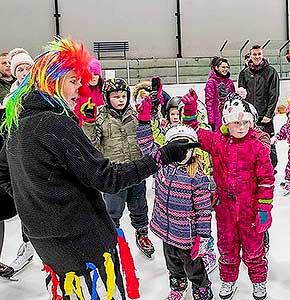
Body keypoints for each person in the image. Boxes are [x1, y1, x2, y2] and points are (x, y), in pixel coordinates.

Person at [0, 37, 196, 299]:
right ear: (52, 81)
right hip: (81, 241)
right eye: (72, 81)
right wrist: (163, 155)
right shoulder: (54, 124)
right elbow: (108, 178)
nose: (79, 89)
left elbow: (3, 173)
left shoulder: (17, 124)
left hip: (46, 243)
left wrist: (34, 206)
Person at [181, 89, 275, 300]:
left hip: (250, 208)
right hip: (225, 208)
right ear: (226, 123)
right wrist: (189, 112)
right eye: (235, 123)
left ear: (251, 123)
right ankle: (228, 280)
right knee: (227, 247)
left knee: (254, 250)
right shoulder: (218, 142)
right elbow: (194, 132)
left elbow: (267, 180)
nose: (241, 127)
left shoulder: (258, 148)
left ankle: (259, 281)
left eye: (245, 123)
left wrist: (264, 208)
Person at [137, 111, 214, 300]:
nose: (183, 153)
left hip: (187, 236)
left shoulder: (197, 177)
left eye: (187, 149)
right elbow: (147, 148)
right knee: (172, 264)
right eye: (177, 148)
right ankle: (178, 287)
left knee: (193, 266)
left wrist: (203, 237)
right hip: (165, 231)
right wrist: (144, 121)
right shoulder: (161, 165)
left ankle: (201, 288)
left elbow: (204, 210)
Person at [81, 77, 155, 259]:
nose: (121, 99)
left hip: (136, 170)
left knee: (139, 206)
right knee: (113, 208)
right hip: (114, 174)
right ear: (107, 97)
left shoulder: (135, 115)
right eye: (116, 96)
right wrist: (89, 123)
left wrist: (151, 112)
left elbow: (149, 134)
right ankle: (111, 235)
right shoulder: (100, 118)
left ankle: (142, 233)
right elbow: (92, 146)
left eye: (123, 95)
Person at [2, 48, 36, 273]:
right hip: (16, 156)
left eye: (27, 68)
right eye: (19, 69)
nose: (24, 72)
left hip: (37, 155)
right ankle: (27, 246)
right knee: (24, 201)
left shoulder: (42, 91)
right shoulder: (8, 99)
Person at [238, 44, 280, 169]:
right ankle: (251, 166)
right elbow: (241, 95)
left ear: (262, 55)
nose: (257, 56)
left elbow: (274, 94)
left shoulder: (271, 72)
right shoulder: (244, 73)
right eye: (254, 54)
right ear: (250, 56)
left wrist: (269, 114)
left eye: (259, 54)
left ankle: (271, 166)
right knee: (249, 141)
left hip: (264, 116)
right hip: (249, 116)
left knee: (268, 141)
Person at [205, 56, 235, 132]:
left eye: (227, 67)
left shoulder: (230, 82)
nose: (225, 69)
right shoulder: (211, 82)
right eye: (223, 67)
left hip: (229, 115)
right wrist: (211, 120)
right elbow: (209, 102)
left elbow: (234, 99)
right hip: (217, 116)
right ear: (217, 68)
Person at [74, 58, 104, 126]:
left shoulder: (104, 89)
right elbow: (76, 112)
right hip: (85, 126)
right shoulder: (80, 91)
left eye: (96, 74)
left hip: (103, 126)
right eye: (90, 75)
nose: (93, 77)